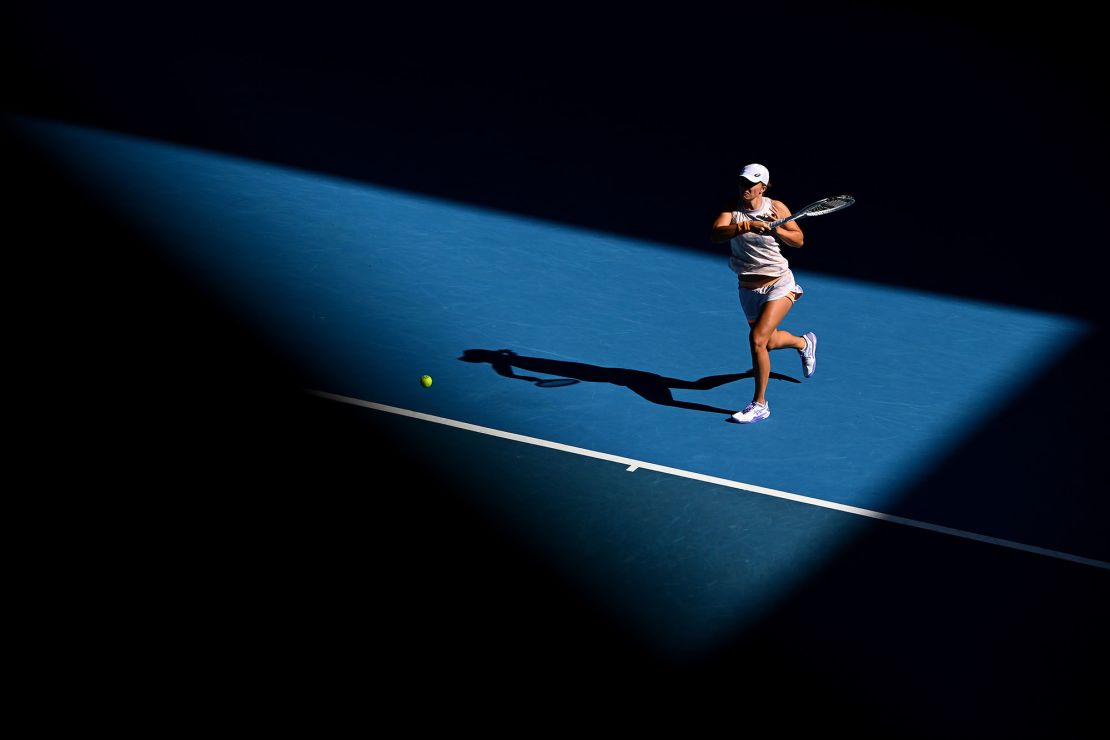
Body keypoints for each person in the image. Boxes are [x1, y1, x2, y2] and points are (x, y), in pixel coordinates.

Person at [711, 163, 816, 424]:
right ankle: (803, 343)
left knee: (757, 340)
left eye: (751, 184)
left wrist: (777, 229)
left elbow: (799, 241)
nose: (745, 188)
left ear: (763, 187)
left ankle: (760, 404)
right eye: (742, 182)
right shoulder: (731, 209)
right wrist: (747, 226)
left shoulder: (776, 208)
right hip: (747, 287)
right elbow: (716, 234)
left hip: (779, 283)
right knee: (767, 343)